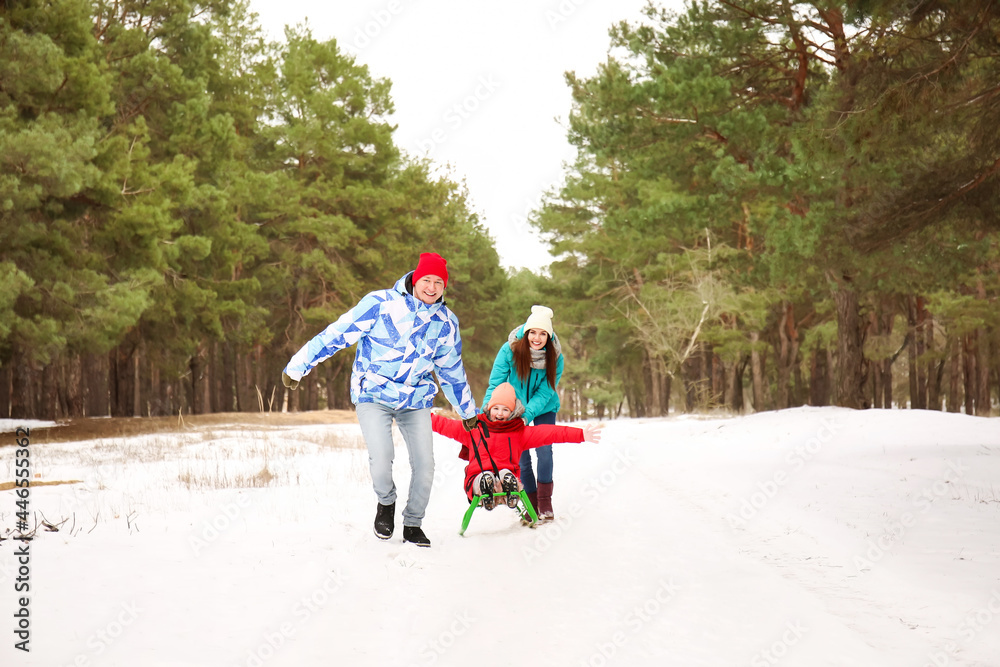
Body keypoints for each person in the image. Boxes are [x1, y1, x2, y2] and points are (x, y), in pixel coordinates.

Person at [281, 252, 479, 548]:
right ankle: (386, 504)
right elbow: (337, 334)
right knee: (382, 457)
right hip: (373, 392)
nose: (432, 287)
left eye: (439, 282)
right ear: (415, 278)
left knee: (425, 465)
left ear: (445, 287)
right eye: (427, 279)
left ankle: (413, 523)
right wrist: (298, 366)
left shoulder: (446, 323)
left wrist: (467, 410)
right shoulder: (380, 304)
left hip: (415, 398)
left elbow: (451, 370)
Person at [431, 382, 601, 513]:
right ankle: (485, 485)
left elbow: (550, 433)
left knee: (507, 474)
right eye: (496, 408)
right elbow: (444, 424)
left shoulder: (519, 432)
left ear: (512, 412)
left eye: (505, 409)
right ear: (489, 408)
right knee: (483, 476)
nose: (499, 413)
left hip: (507, 478)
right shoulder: (474, 428)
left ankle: (508, 485)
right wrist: (422, 417)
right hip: (477, 477)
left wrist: (580, 435)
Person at [483, 305, 563, 521]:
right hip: (513, 407)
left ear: (549, 335)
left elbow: (546, 391)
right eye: (533, 332)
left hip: (544, 407)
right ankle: (531, 503)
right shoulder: (509, 350)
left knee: (544, 450)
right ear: (527, 332)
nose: (537, 338)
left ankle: (545, 503)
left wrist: (526, 415)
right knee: (521, 456)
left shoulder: (556, 356)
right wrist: (487, 411)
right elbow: (496, 382)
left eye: (543, 333)